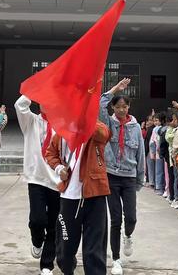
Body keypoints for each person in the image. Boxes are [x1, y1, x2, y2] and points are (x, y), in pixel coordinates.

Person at [45, 119, 111, 275]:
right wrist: (59, 168)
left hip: (95, 194)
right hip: (69, 196)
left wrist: (87, 119)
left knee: (94, 250)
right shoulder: (61, 131)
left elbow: (105, 135)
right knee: (64, 250)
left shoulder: (96, 127)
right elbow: (50, 153)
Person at [99, 78, 145, 275]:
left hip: (129, 177)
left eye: (124, 107)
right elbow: (100, 104)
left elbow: (140, 154)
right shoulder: (109, 122)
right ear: (114, 108)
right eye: (118, 107)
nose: (121, 110)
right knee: (115, 218)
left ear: (129, 107)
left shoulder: (135, 127)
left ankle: (128, 235)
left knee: (131, 217)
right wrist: (114, 89)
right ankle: (116, 259)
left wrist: (139, 178)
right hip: (112, 175)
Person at [15, 95, 60, 275]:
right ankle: (36, 240)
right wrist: (35, 91)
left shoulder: (61, 126)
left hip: (56, 181)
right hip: (36, 178)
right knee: (37, 219)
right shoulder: (31, 121)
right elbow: (20, 105)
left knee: (53, 224)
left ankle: (47, 265)